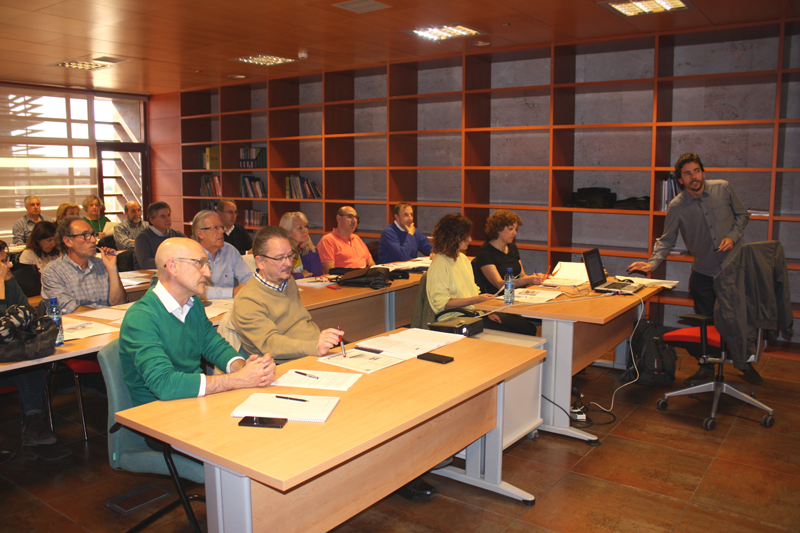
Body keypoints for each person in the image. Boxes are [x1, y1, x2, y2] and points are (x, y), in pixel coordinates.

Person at [627, 152, 758, 385]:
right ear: (680, 180)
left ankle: (743, 363)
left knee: (737, 320)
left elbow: (742, 215)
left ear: (703, 172)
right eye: (687, 174)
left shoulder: (723, 188)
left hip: (734, 269)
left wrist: (732, 236)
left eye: (696, 171)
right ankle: (707, 367)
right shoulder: (677, 207)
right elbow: (667, 240)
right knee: (706, 324)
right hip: (704, 274)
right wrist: (652, 263)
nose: (693, 177)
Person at [119, 237, 275, 410]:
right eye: (200, 263)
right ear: (173, 267)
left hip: (195, 403)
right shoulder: (141, 318)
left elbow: (214, 346)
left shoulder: (193, 304)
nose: (207, 273)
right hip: (159, 414)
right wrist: (238, 379)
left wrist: (245, 368)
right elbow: (164, 385)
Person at [231, 226, 344, 364]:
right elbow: (270, 344)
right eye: (279, 258)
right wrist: (314, 347)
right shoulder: (247, 300)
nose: (288, 263)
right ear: (260, 262)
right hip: (287, 365)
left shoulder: (287, 281)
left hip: (313, 353)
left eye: (290, 255)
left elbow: (300, 324)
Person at [0, 240, 69, 462]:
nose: (8, 266)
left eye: (6, 261)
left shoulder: (8, 281)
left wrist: (6, 284)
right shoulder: (2, 281)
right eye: (2, 262)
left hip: (9, 353)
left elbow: (26, 311)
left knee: (32, 363)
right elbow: (3, 325)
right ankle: (34, 427)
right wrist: (0, 284)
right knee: (27, 364)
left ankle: (34, 425)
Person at [426, 213, 505, 328]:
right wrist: (476, 299)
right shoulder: (440, 263)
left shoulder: (462, 258)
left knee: (525, 328)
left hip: (472, 314)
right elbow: (442, 304)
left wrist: (486, 311)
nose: (470, 239)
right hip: (455, 318)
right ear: (453, 237)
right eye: (465, 236)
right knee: (513, 332)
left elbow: (472, 291)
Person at [40, 217, 126, 314]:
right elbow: (69, 310)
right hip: (77, 325)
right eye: (86, 235)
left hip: (109, 322)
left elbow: (119, 303)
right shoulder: (53, 271)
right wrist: (106, 314)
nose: (94, 240)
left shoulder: (102, 264)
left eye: (93, 235)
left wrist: (112, 268)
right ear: (68, 241)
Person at [472, 210, 544, 293]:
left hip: (518, 294)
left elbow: (522, 276)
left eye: (516, 229)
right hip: (497, 298)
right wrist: (527, 280)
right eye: (511, 229)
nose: (515, 233)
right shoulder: (485, 252)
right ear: (498, 228)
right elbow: (499, 284)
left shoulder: (512, 247)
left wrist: (535, 278)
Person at [192, 210, 252, 299]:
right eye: (215, 228)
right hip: (204, 307)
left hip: (229, 306)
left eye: (221, 227)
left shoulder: (230, 250)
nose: (221, 231)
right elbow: (196, 290)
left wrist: (245, 287)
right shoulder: (191, 255)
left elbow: (247, 276)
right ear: (200, 233)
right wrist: (231, 293)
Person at [317, 206, 375, 274]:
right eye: (350, 217)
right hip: (343, 281)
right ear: (338, 218)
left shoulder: (356, 238)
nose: (354, 221)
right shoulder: (328, 240)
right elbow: (330, 272)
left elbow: (371, 263)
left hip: (362, 280)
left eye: (356, 217)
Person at [134, 202, 187, 269]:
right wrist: (172, 262)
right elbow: (145, 263)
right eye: (162, 216)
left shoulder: (177, 235)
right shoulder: (142, 238)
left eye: (168, 215)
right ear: (152, 220)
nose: (168, 219)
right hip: (148, 276)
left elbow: (192, 250)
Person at [279, 211, 323, 278]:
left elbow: (317, 274)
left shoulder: (303, 250)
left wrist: (312, 249)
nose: (305, 231)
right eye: (300, 228)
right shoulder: (281, 253)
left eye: (305, 227)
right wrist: (301, 275)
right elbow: (280, 276)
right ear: (288, 232)